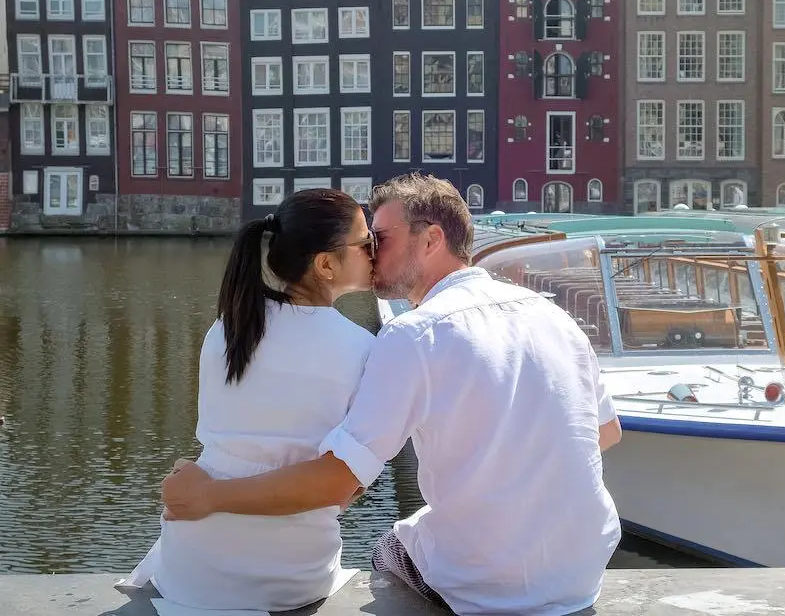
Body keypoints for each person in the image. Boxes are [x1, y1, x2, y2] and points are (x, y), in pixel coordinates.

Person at [162, 173, 623, 615]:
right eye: (367, 243)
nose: (373, 253)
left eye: (381, 238)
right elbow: (605, 431)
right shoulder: (554, 316)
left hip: (486, 585)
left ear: (431, 240)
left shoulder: (414, 335)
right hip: (582, 572)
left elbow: (340, 481)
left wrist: (209, 495)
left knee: (387, 548)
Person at [129, 188, 377, 611]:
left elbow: (226, 438)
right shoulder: (361, 348)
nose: (375, 251)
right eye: (366, 243)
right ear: (326, 264)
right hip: (290, 577)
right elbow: (343, 486)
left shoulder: (227, 330)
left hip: (191, 566)